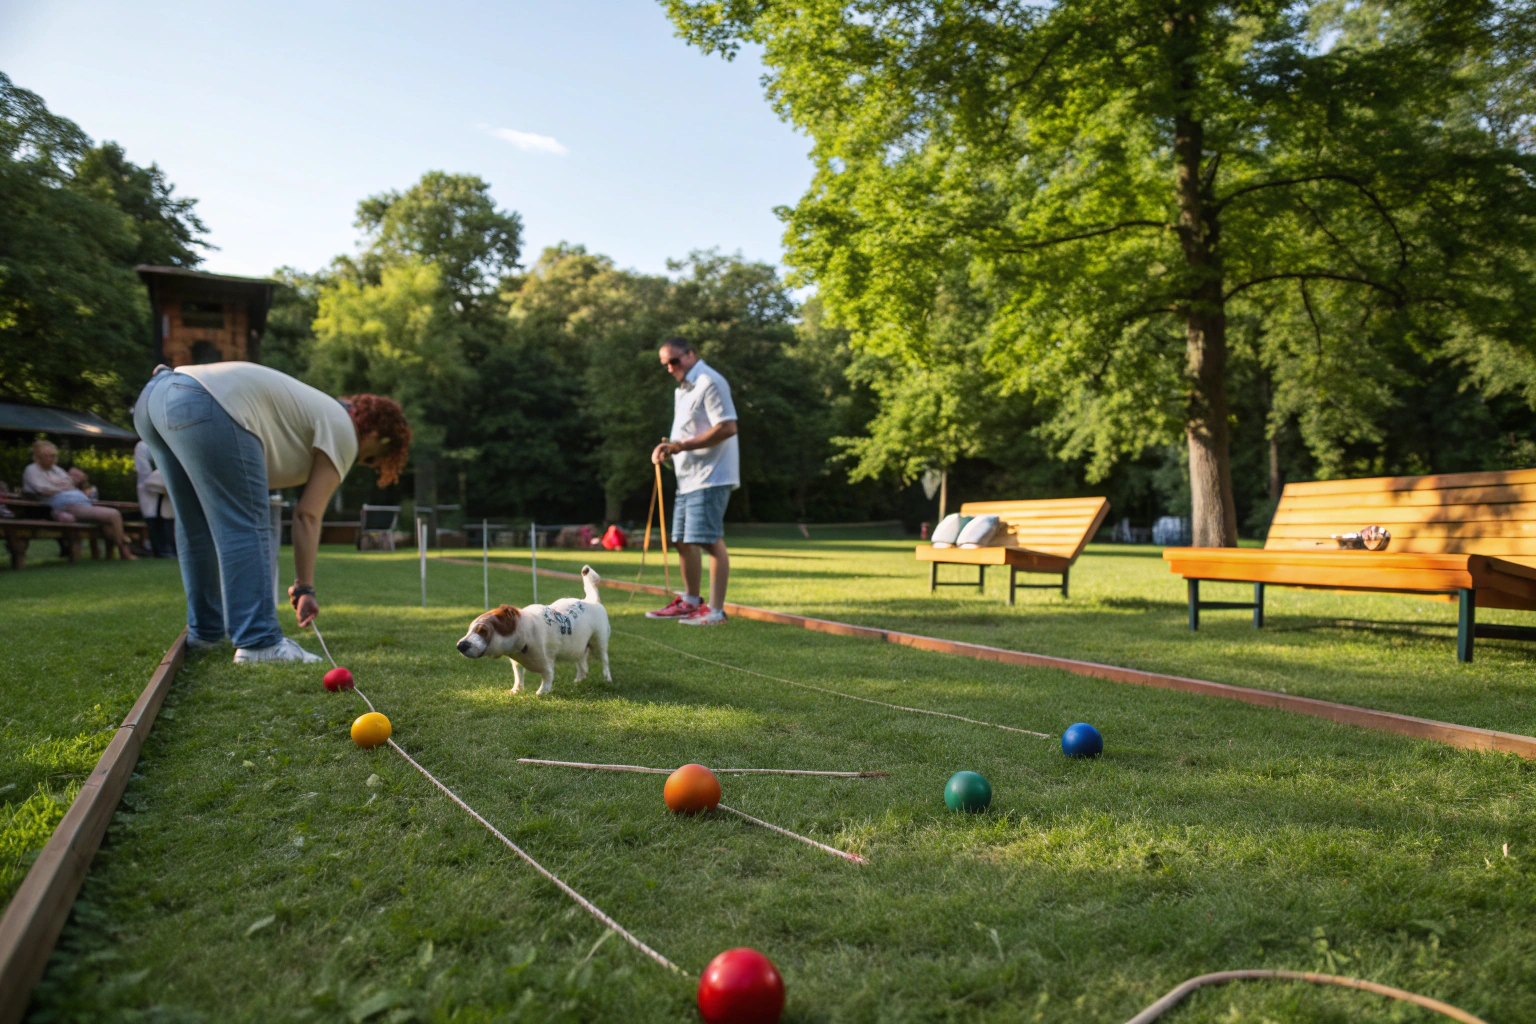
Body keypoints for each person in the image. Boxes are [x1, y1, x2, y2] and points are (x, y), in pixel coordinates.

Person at [133, 362, 411, 663]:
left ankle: (206, 634)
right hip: (204, 400)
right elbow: (308, 515)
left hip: (154, 399)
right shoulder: (344, 430)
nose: (363, 461)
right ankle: (258, 641)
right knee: (247, 523)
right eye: (372, 458)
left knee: (194, 524)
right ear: (378, 434)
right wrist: (305, 587)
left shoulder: (315, 409)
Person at [646, 337, 738, 626]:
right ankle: (690, 601)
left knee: (708, 540)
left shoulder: (709, 381)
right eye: (666, 364)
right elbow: (689, 431)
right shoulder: (684, 390)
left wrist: (680, 446)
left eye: (675, 360)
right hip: (689, 478)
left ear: (690, 354)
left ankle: (716, 611)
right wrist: (670, 449)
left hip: (711, 476)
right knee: (682, 541)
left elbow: (727, 426)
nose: (671, 367)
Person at [21, 440, 136, 560]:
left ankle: (117, 551)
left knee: (108, 522)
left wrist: (60, 486)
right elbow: (42, 489)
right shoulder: (31, 470)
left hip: (79, 502)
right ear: (38, 457)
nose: (51, 459)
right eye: (47, 456)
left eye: (53, 456)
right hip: (64, 505)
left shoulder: (56, 470)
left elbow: (70, 484)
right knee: (114, 514)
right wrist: (62, 488)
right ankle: (124, 548)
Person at [134, 439, 176, 558]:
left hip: (166, 489)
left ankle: (169, 548)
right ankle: (159, 550)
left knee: (167, 518)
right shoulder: (142, 446)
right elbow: (143, 470)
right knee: (153, 519)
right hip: (150, 488)